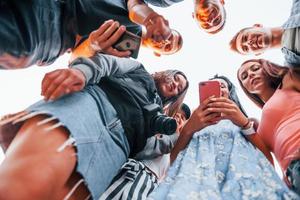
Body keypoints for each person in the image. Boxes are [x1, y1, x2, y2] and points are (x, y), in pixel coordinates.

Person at [0, 54, 188, 199]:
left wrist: (182, 132)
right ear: (167, 73)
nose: (176, 85)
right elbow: (108, 63)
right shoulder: (139, 69)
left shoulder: (158, 122)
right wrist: (82, 72)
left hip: (117, 148)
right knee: (29, 179)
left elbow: (150, 149)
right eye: (176, 78)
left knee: (66, 193)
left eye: (180, 89)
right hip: (94, 105)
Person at [148, 75, 297, 199]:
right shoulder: (190, 125)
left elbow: (268, 163)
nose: (219, 89)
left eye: (223, 86)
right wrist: (189, 128)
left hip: (243, 183)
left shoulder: (248, 123)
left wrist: (244, 124)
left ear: (230, 94)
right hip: (197, 184)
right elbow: (171, 165)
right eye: (213, 86)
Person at [0, 0, 176, 69]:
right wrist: (151, 18)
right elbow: (136, 8)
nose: (165, 40)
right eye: (171, 36)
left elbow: (75, 59)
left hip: (53, 33)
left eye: (168, 47)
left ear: (158, 54)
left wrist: (92, 45)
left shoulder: (125, 53)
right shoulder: (137, 9)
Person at [100, 103, 191, 200]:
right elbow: (140, 149)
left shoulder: (178, 147)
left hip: (148, 188)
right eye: (177, 114)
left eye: (183, 117)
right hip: (128, 172)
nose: (178, 118)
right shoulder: (152, 126)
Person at [237, 58, 300, 195]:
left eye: (255, 68)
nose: (251, 74)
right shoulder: (258, 127)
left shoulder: (288, 80)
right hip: (293, 175)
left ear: (266, 68)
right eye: (244, 76)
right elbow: (267, 164)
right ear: (246, 88)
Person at [229, 0, 300, 68]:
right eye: (246, 48)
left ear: (257, 26)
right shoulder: (292, 69)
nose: (248, 43)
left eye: (245, 38)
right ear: (258, 53)